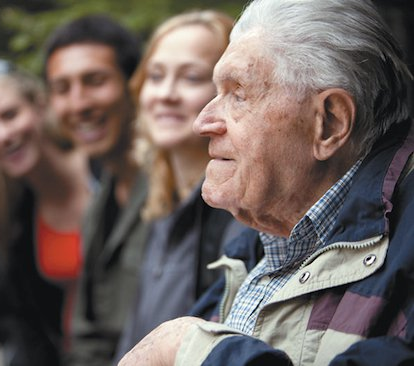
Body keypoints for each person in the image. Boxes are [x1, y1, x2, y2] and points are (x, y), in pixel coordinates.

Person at [119, 0, 414, 365]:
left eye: (238, 94)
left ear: (330, 123)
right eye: (216, 92)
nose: (203, 122)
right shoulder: (256, 247)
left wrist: (187, 349)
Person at [114, 10, 257, 361]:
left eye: (191, 77)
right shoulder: (156, 203)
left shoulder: (244, 213)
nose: (165, 94)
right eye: (156, 75)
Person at [0, 60, 91, 365]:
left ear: (39, 106)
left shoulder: (104, 172)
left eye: (10, 115)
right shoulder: (15, 228)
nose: (2, 135)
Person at [43, 14, 149, 365]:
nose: (79, 104)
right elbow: (89, 337)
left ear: (134, 83)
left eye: (95, 81)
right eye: (62, 89)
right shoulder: (98, 207)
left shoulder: (183, 189)